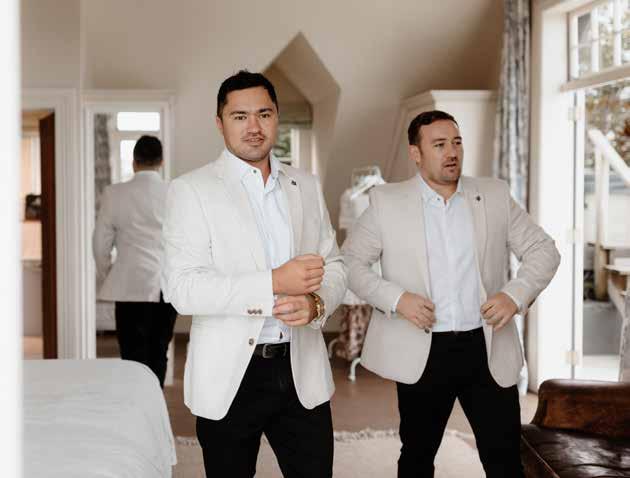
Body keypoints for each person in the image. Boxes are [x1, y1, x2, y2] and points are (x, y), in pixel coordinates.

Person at [342, 110, 561, 478]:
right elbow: (349, 263)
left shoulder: (493, 194)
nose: (452, 152)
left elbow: (544, 250)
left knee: (505, 459)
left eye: (457, 142)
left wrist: (514, 295)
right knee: (417, 456)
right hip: (423, 350)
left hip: (487, 347)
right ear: (416, 153)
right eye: (440, 144)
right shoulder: (386, 201)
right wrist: (397, 299)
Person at [161, 70, 347, 478]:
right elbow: (181, 288)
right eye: (240, 116)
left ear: (277, 116)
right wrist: (274, 283)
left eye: (264, 114)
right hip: (229, 378)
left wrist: (316, 303)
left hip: (301, 371)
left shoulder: (305, 184)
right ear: (220, 123)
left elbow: (334, 264)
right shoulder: (191, 190)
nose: (254, 127)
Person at [93, 135, 177, 388]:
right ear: (161, 162)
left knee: (131, 355)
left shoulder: (114, 193)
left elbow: (100, 242)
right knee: (159, 350)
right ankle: (155, 403)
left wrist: (108, 273)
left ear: (134, 161)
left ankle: (135, 405)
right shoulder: (175, 192)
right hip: (165, 285)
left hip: (129, 284)